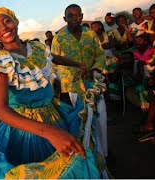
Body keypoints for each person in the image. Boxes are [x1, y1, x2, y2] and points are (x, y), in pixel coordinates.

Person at [0, 7, 101, 179]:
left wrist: (78, 64)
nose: (3, 27)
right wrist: (51, 133)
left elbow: (54, 58)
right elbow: (1, 111)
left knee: (73, 157)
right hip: (28, 130)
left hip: (53, 115)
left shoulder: (36, 47)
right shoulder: (0, 61)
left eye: (7, 21)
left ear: (15, 22)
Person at [51, 4, 109, 173]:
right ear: (65, 19)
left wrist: (96, 69)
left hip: (94, 83)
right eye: (70, 15)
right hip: (74, 86)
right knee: (84, 121)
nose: (74, 18)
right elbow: (54, 61)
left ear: (82, 16)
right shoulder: (59, 38)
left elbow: (100, 54)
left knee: (101, 118)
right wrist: (55, 81)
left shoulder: (90, 34)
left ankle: (104, 154)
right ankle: (91, 156)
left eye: (77, 15)